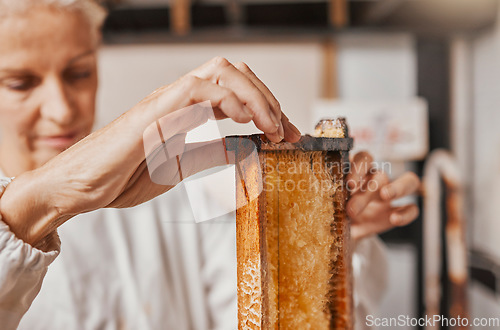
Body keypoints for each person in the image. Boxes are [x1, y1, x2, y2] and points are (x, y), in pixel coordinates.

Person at [0, 1, 421, 329]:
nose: (60, 110)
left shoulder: (169, 192)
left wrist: (321, 242)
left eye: (78, 74)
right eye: (20, 83)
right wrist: (39, 204)